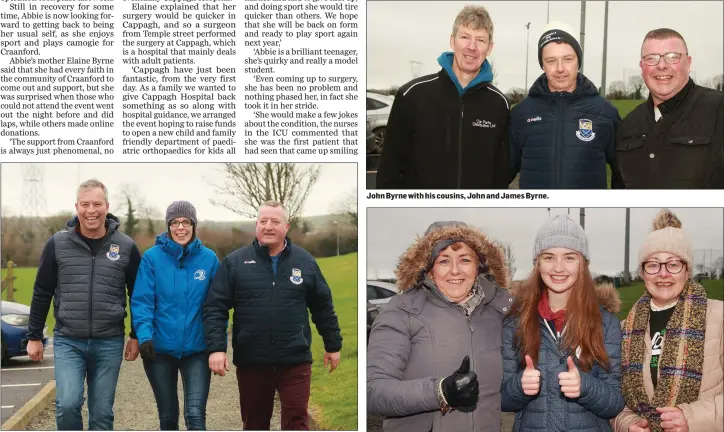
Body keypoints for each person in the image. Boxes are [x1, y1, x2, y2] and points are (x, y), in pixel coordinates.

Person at [203, 200, 343, 431]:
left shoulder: (305, 261)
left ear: (286, 227)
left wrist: (333, 345)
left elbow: (323, 306)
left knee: (297, 422)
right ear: (256, 224)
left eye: (275, 221)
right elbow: (215, 307)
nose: (268, 226)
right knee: (255, 424)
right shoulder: (235, 262)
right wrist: (217, 348)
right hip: (252, 362)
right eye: (263, 221)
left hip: (295, 360)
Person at [367, 221, 514, 431]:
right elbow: (372, 390)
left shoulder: (499, 312)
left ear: (479, 266)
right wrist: (440, 392)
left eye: (464, 260)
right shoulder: (401, 312)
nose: (455, 271)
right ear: (428, 269)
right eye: (444, 261)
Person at [25, 179, 141, 431]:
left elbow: (138, 295)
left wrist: (135, 335)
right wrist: (34, 336)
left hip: (109, 341)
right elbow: (42, 290)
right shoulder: (57, 243)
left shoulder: (126, 246)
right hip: (68, 341)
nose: (91, 210)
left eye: (97, 204)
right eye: (85, 204)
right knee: (67, 404)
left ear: (107, 206)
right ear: (76, 206)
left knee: (101, 414)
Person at [501, 215, 625, 431]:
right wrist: (519, 387)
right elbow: (502, 401)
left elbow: (614, 404)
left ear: (583, 265)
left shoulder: (606, 323)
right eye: (549, 257)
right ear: (537, 264)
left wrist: (585, 387)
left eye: (569, 258)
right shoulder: (515, 322)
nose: (558, 268)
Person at [376, 5, 510, 189]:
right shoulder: (412, 95)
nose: (472, 47)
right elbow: (388, 172)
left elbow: (500, 176)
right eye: (465, 37)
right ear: (452, 41)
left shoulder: (499, 105)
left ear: (490, 48)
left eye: (480, 40)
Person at [612, 209, 723, 432]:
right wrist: (627, 424)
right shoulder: (624, 329)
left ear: (687, 270)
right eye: (653, 265)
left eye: (673, 264)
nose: (663, 274)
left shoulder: (718, 316)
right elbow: (614, 399)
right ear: (642, 273)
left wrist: (691, 419)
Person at [131, 201, 220, 430]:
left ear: (194, 225)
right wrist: (144, 336)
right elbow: (142, 301)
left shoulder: (209, 260)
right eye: (175, 222)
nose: (181, 227)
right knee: (168, 417)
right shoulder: (152, 258)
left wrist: (217, 344)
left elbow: (218, 305)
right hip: (159, 350)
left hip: (197, 350)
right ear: (168, 226)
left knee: (195, 414)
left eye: (186, 222)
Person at [509, 22, 622, 189]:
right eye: (551, 61)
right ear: (542, 65)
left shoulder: (605, 112)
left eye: (568, 59)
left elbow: (623, 173)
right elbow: (502, 173)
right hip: (536, 214)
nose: (560, 68)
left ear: (578, 61)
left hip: (586, 215)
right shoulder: (520, 114)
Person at [615, 28, 724, 188]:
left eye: (673, 57)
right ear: (641, 66)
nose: (662, 65)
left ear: (688, 62)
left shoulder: (718, 109)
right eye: (651, 58)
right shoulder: (628, 125)